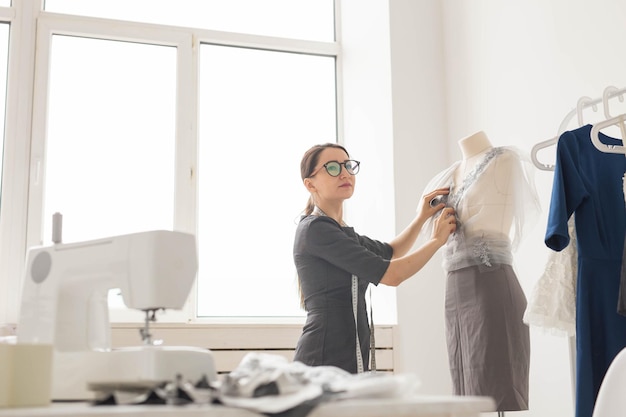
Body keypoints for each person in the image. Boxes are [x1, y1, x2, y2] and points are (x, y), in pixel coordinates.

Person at [293, 142, 456, 374]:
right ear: (310, 184)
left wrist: (420, 218)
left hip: (346, 353)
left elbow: (391, 251)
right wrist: (436, 240)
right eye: (332, 168)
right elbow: (393, 274)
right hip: (322, 358)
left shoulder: (339, 231)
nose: (345, 173)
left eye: (347, 165)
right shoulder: (316, 230)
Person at [421, 131, 540, 413]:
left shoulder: (504, 160)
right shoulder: (448, 176)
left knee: (499, 386)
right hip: (455, 291)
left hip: (491, 283)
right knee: (466, 390)